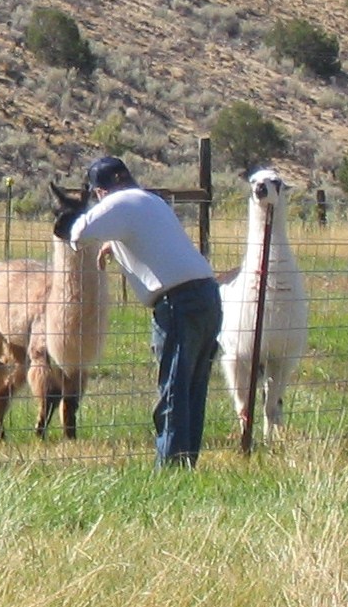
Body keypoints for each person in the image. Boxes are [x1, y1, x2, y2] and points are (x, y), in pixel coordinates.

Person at [58, 156, 222, 468]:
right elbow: (149, 237)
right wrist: (114, 243)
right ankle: (187, 464)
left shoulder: (116, 202)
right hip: (208, 296)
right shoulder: (153, 201)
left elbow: (79, 234)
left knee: (173, 390)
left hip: (178, 303)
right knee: (193, 388)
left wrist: (78, 218)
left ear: (100, 192)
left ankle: (171, 470)